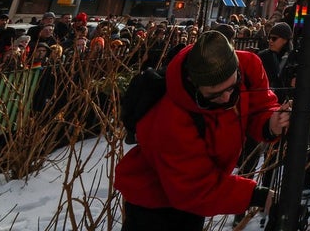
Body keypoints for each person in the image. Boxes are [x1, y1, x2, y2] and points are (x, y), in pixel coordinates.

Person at [114, 30, 290, 230]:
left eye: (232, 89)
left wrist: (271, 122)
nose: (226, 99)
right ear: (193, 84)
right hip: (154, 204)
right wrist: (259, 196)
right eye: (214, 95)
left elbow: (261, 106)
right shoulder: (169, 118)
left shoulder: (249, 67)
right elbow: (196, 188)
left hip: (196, 199)